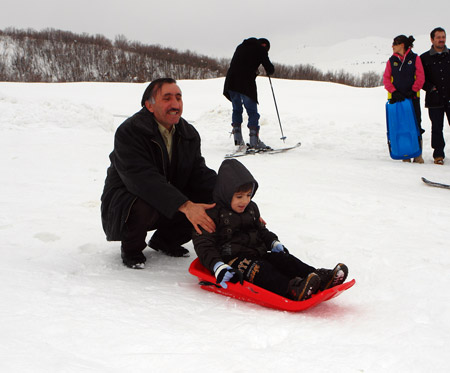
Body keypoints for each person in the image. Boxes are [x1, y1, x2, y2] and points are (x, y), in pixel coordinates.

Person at [101, 78, 217, 269]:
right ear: (149, 105)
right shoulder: (130, 132)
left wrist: (230, 194)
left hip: (165, 196)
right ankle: (132, 249)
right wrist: (186, 206)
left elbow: (198, 173)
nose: (175, 104)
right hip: (126, 203)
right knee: (144, 201)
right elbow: (142, 180)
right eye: (167, 98)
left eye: (178, 98)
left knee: (209, 199)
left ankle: (166, 240)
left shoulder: (188, 133)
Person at [192, 159, 348, 301]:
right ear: (226, 193)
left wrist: (272, 241)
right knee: (262, 271)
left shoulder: (251, 209)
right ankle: (292, 289)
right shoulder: (211, 215)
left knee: (284, 260)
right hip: (234, 263)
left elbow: (261, 231)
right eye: (239, 196)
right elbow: (204, 245)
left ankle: (319, 277)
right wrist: (217, 266)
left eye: (248, 195)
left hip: (258, 253)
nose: (245, 201)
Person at [223, 37, 275, 150]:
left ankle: (238, 139)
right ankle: (254, 141)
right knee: (252, 112)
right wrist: (268, 67)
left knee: (237, 109)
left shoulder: (241, 46)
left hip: (231, 82)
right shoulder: (261, 49)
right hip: (245, 83)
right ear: (265, 46)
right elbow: (269, 68)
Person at [383, 35, 425, 163]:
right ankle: (404, 153)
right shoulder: (391, 61)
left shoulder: (415, 58)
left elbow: (420, 77)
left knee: (416, 124)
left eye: (394, 44)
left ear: (402, 45)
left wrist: (413, 90)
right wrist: (394, 92)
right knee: (400, 125)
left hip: (412, 98)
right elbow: (386, 79)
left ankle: (417, 154)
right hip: (396, 100)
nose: (392, 46)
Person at [421, 27, 450, 165]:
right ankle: (438, 155)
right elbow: (420, 79)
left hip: (449, 97)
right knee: (437, 127)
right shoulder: (424, 58)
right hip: (434, 99)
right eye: (438, 37)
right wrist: (431, 88)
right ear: (432, 39)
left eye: (443, 37)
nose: (441, 39)